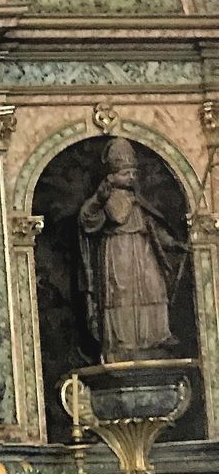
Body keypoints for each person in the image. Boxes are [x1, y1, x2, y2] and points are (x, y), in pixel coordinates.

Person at [78, 137, 185, 361]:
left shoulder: (138, 199)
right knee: (122, 295)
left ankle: (155, 336)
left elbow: (153, 228)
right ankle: (122, 343)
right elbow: (88, 220)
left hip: (144, 250)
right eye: (126, 173)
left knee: (154, 288)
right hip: (118, 251)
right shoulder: (104, 197)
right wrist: (100, 199)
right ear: (111, 176)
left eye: (133, 173)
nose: (131, 177)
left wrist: (174, 244)